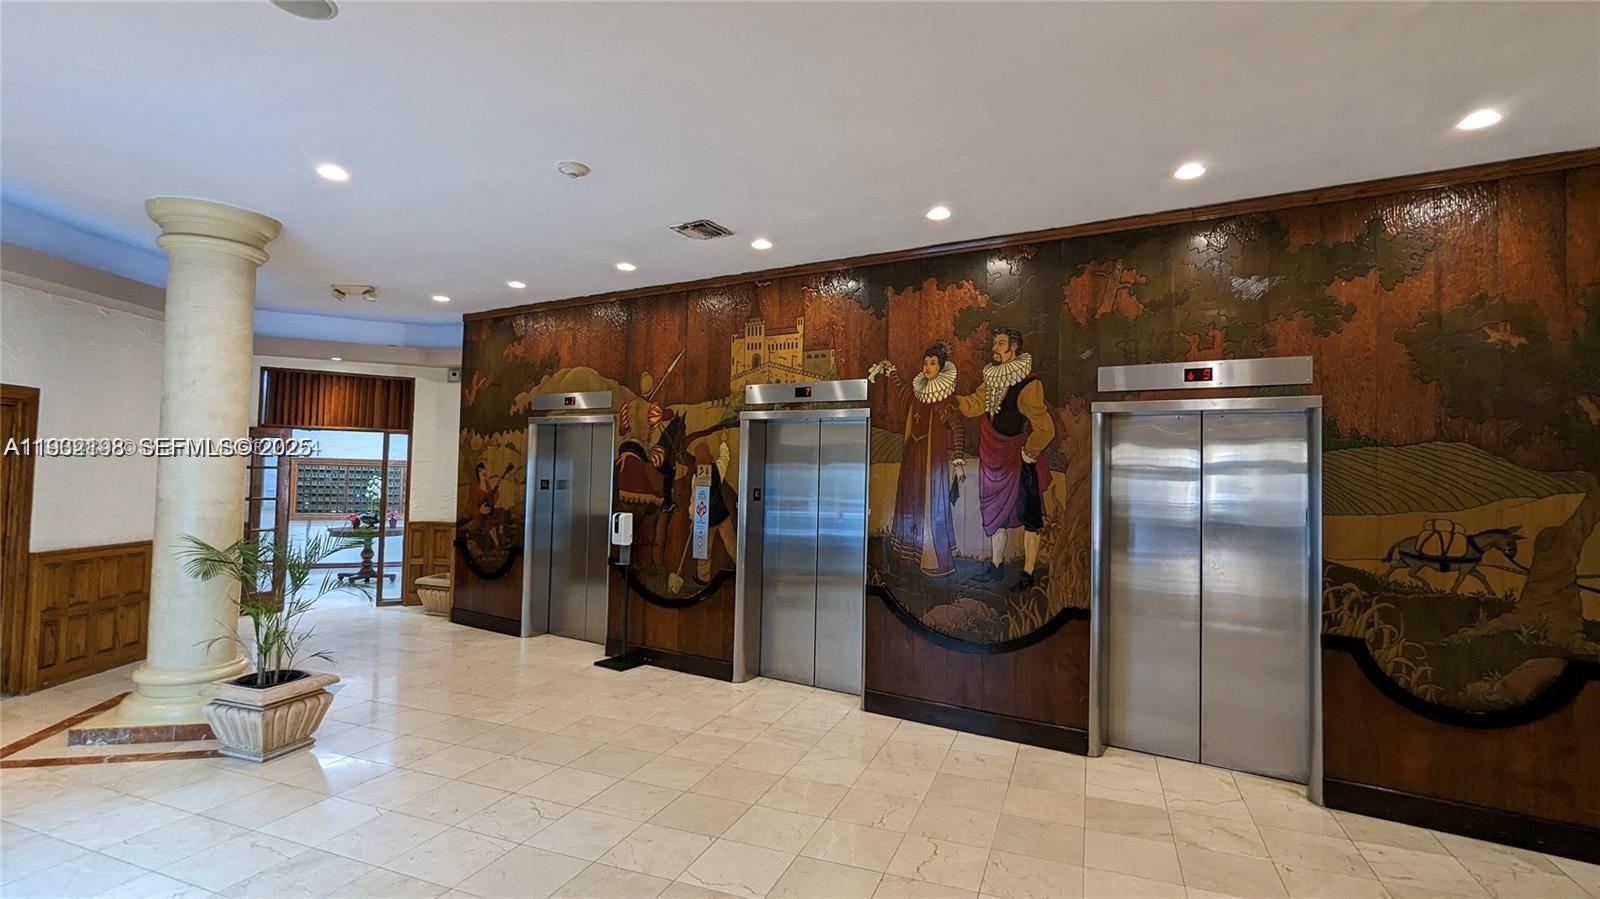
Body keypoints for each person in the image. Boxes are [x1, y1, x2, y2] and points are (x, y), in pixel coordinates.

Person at [955, 327, 1055, 591]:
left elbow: (1045, 429)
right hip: (994, 458)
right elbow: (974, 404)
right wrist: (950, 399)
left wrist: (1029, 452)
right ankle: (996, 567)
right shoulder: (992, 380)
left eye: (1000, 343)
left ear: (1014, 348)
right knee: (994, 514)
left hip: (1019, 460)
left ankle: (1028, 573)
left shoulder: (1029, 385)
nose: (994, 348)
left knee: (1029, 516)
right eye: (995, 343)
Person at [871, 342, 966, 577]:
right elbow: (902, 392)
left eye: (932, 363)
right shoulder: (918, 394)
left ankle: (934, 560)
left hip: (931, 460)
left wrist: (958, 458)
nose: (927, 367)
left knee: (931, 505)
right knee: (911, 503)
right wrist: (891, 372)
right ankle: (909, 556)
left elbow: (957, 428)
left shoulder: (944, 399)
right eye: (925, 363)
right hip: (913, 457)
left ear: (941, 367)